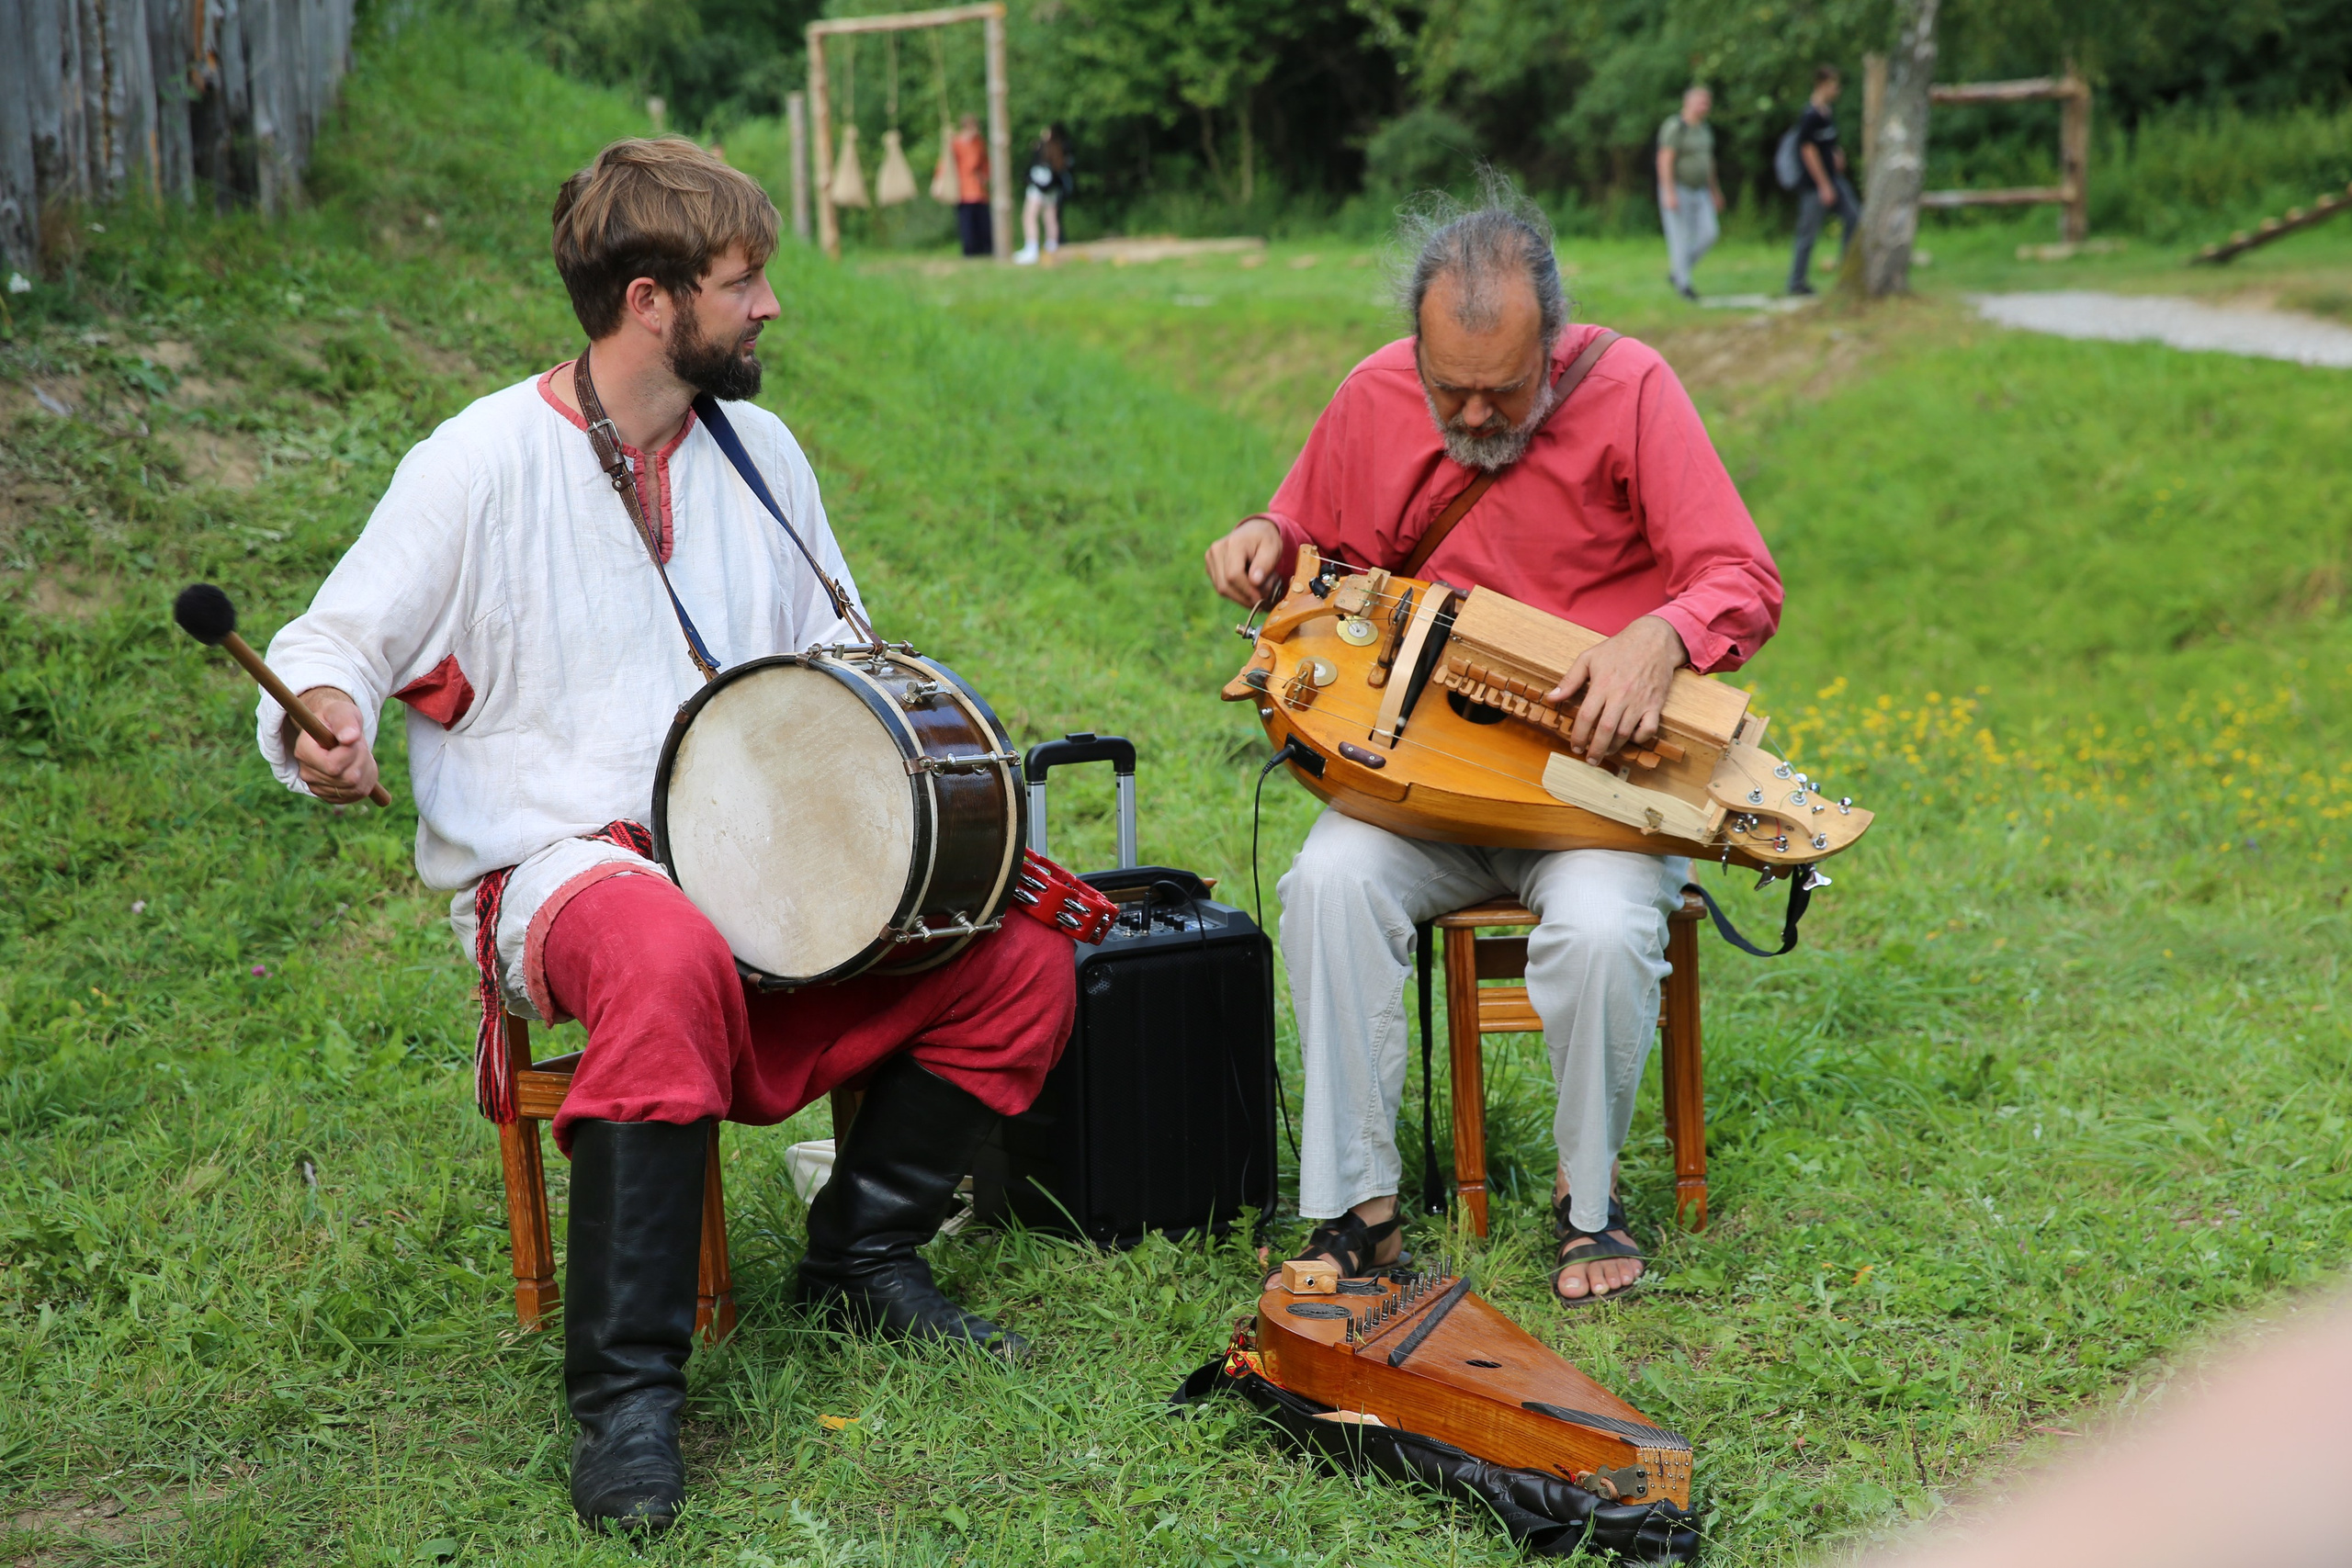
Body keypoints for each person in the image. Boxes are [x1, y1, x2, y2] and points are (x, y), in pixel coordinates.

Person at [253, 138, 1074, 1532]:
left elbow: (838, 660)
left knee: (1026, 956)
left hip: (765, 857)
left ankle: (862, 1252)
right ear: (651, 298)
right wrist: (323, 715)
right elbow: (331, 639)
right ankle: (627, 1399)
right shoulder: (477, 463)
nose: (768, 308)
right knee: (661, 945)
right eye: (742, 281)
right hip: (566, 869)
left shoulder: (762, 453)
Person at [1201, 183, 1780, 1309]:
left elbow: (1740, 578)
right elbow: (1313, 549)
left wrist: (1657, 637)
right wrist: (1266, 539)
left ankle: (1588, 1204)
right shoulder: (1373, 393)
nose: (1471, 419)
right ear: (1416, 349)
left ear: (1552, 347)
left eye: (1501, 392)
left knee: (1607, 929)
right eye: (1449, 393)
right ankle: (1358, 1216)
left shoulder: (1632, 389)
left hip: (1593, 790)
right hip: (1424, 786)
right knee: (1323, 881)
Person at [1789, 64, 1861, 296]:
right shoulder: (1809, 115)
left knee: (1855, 217)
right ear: (1821, 85)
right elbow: (1808, 151)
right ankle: (1796, 282)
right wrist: (1823, 185)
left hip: (1834, 178)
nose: (1837, 90)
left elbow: (1826, 144)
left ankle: (1848, 270)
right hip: (1816, 185)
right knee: (1807, 233)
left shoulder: (1826, 113)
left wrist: (1836, 154)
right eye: (1833, 85)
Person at [1656, 86, 1724, 302]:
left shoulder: (1704, 129)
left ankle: (1678, 272)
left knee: (1709, 234)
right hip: (1679, 188)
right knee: (1681, 238)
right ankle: (1684, 286)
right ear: (1689, 102)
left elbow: (1708, 162)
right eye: (1702, 101)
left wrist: (1715, 191)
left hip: (1701, 190)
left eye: (1708, 102)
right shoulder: (1676, 126)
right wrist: (1669, 192)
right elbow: (1665, 159)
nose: (1706, 106)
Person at [1013, 124, 1072, 264]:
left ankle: (1032, 248)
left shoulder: (1042, 147)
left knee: (1029, 216)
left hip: (1038, 188)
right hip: (1052, 189)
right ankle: (1052, 246)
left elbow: (1034, 165)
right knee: (1050, 217)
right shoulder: (1060, 148)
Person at [951, 113, 991, 257]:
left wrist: (986, 176)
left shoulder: (978, 142)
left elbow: (984, 162)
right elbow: (948, 164)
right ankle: (970, 249)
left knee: (983, 221)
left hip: (978, 188)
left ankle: (985, 248)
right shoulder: (956, 142)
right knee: (967, 222)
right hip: (963, 188)